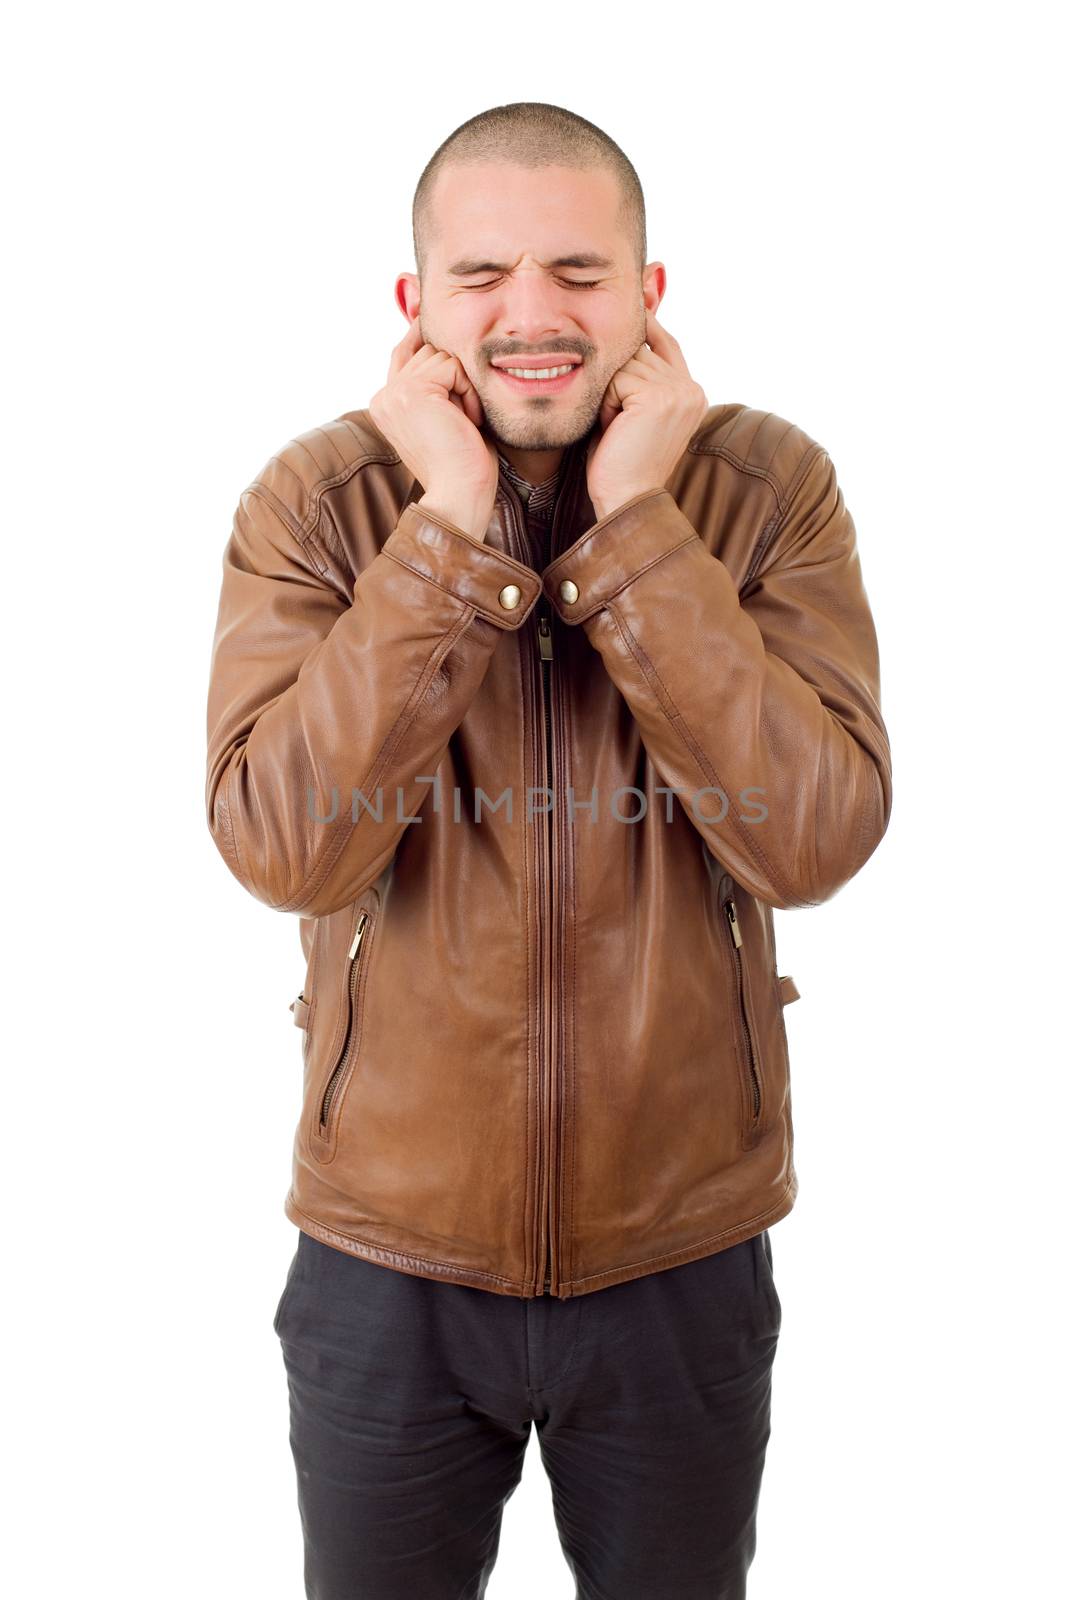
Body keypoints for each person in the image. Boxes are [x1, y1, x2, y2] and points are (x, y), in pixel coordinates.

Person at [204, 99, 892, 1599]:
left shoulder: (766, 495)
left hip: (681, 1251)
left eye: (581, 271)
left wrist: (640, 524)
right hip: (385, 1259)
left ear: (651, 295)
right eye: (484, 274)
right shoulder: (320, 508)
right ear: (416, 305)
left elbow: (816, 836)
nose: (533, 315)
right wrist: (448, 528)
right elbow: (279, 847)